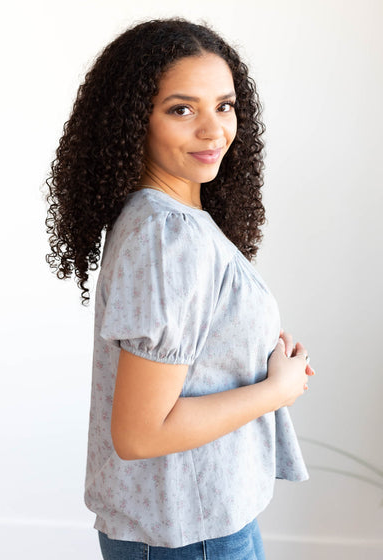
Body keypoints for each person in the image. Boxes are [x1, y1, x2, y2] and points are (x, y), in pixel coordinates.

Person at [45, 18, 315, 560]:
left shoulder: (171, 217)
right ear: (132, 120)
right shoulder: (168, 237)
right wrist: (275, 391)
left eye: (224, 105)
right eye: (181, 109)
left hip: (195, 521)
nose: (214, 131)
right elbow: (141, 433)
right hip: (190, 535)